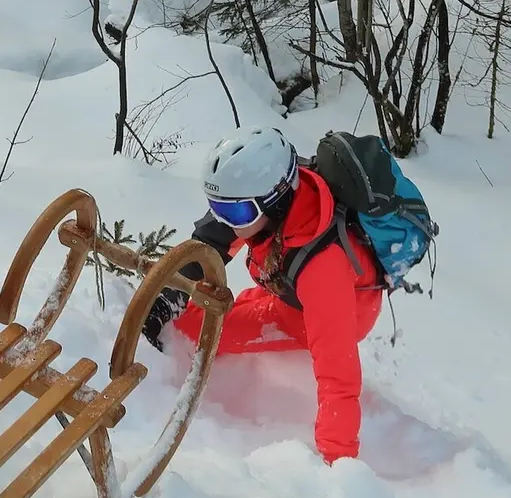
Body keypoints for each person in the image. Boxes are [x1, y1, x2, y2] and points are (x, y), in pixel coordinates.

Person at [143, 126, 384, 465]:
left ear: (276, 200)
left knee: (196, 328)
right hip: (286, 284)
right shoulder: (273, 204)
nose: (227, 221)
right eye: (217, 207)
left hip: (327, 309)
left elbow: (338, 376)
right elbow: (210, 242)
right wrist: (169, 294)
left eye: (237, 213)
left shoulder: (322, 268)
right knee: (215, 307)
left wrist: (338, 461)